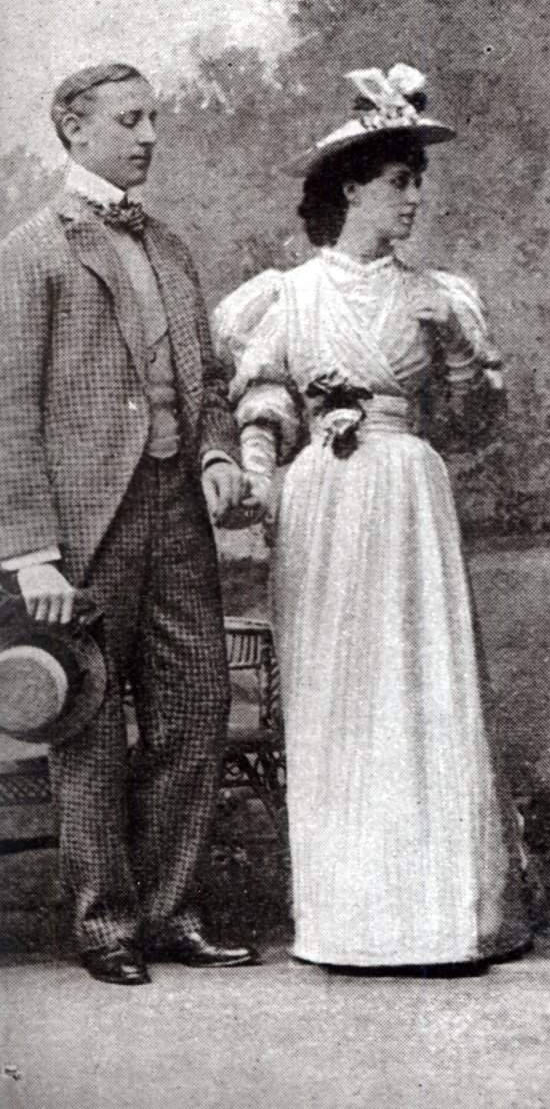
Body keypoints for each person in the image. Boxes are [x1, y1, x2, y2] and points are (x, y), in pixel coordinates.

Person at [214, 64, 530, 974]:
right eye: (398, 181)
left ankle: (440, 919)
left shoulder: (440, 295)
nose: (414, 198)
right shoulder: (288, 294)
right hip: (324, 499)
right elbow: (265, 400)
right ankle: (349, 920)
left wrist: (460, 350)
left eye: (417, 181)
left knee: (420, 684)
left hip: (407, 491)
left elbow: (473, 429)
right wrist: (261, 475)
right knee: (336, 692)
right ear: (350, 189)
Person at [0, 63, 261, 985]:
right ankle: (103, 923)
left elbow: (209, 382)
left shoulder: (172, 248)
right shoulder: (31, 250)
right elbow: (6, 412)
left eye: (153, 118)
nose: (148, 135)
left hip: (175, 512)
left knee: (196, 709)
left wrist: (217, 455)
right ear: (73, 129)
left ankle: (171, 911)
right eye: (128, 120)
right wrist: (31, 554)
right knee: (89, 724)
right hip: (81, 530)